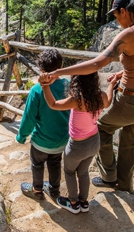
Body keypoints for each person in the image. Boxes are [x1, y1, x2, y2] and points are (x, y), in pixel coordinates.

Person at [43, 0, 134, 192]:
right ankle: (124, 184)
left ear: (124, 11)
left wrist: (58, 72)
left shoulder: (128, 35)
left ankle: (108, 176)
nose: (116, 20)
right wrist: (124, 72)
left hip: (131, 101)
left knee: (102, 130)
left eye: (116, 15)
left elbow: (97, 63)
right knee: (131, 143)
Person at [39, 71, 115, 214]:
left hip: (77, 146)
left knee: (69, 171)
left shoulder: (77, 99)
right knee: (83, 171)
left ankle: (73, 203)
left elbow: (53, 104)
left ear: (76, 80)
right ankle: (84, 203)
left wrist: (45, 86)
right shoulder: (100, 96)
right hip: (94, 142)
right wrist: (112, 84)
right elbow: (109, 100)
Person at [16, 49, 70, 200]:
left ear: (41, 70)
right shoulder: (68, 85)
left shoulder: (37, 89)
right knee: (55, 163)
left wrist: (22, 135)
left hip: (41, 141)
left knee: (37, 164)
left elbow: (29, 117)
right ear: (61, 66)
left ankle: (37, 190)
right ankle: (54, 190)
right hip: (61, 140)